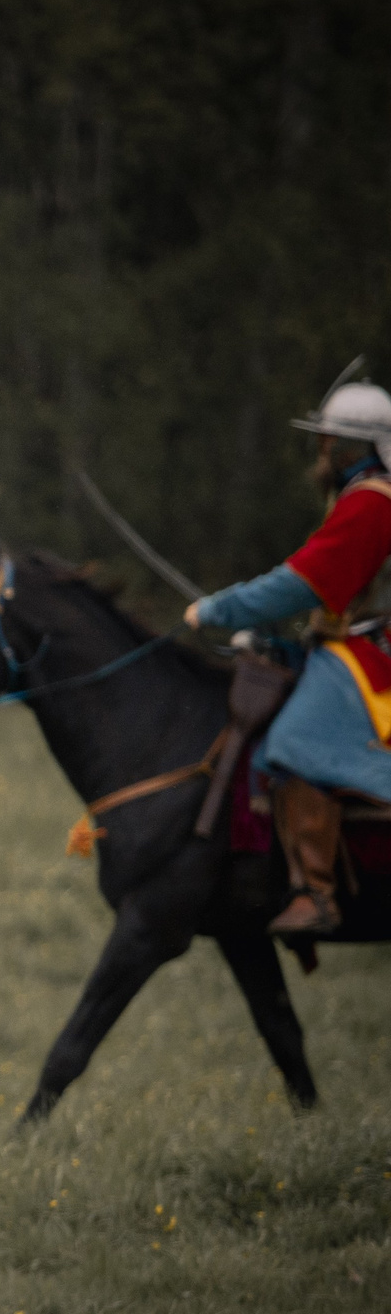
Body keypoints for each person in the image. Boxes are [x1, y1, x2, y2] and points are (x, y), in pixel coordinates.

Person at [184, 365, 391, 936]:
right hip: (357, 643)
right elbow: (329, 602)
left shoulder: (372, 501)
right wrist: (276, 641)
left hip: (380, 654)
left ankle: (315, 894)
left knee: (294, 741)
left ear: (350, 445)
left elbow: (297, 584)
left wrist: (218, 609)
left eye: (328, 438)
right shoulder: (359, 496)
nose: (321, 448)